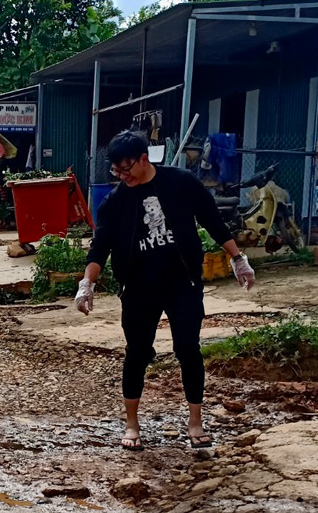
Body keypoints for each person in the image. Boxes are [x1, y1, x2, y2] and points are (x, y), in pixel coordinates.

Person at [75, 130, 255, 451]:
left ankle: (196, 422)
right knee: (137, 352)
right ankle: (132, 424)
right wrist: (87, 282)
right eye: (116, 170)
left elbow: (212, 220)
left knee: (188, 348)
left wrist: (237, 258)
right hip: (139, 288)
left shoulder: (181, 183)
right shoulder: (116, 201)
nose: (122, 175)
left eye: (126, 168)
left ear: (144, 159)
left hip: (182, 282)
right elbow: (99, 247)